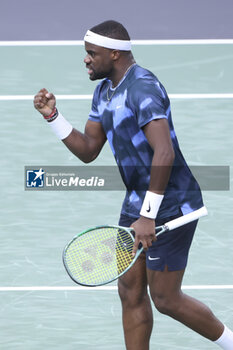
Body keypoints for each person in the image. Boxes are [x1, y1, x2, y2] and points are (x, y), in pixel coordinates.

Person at [33, 20, 233, 350]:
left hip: (172, 203)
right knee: (129, 291)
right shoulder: (103, 92)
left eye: (91, 53)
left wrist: (150, 215)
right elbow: (88, 150)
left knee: (166, 298)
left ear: (114, 54)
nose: (86, 59)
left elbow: (164, 151)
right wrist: (54, 117)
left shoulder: (143, 88)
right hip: (137, 204)